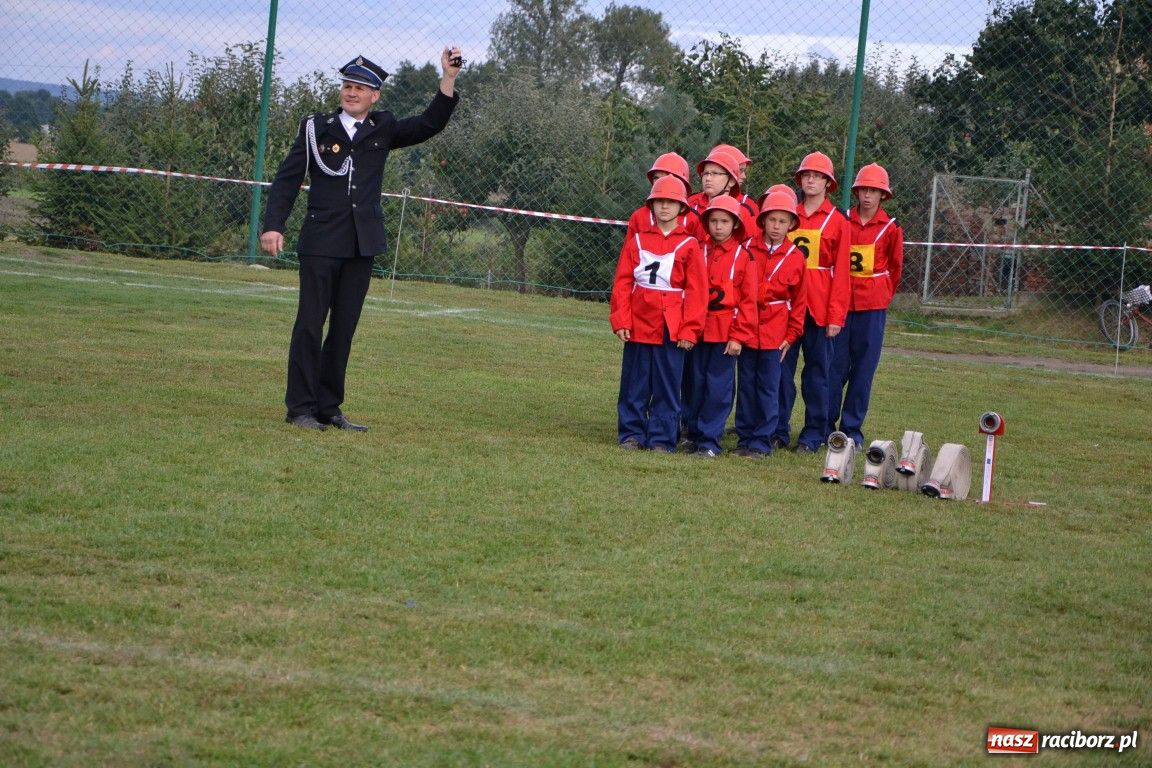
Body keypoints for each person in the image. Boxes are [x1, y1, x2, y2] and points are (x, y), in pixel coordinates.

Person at [261, 50, 462, 431]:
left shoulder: (383, 128)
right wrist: (274, 225)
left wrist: (447, 79)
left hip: (361, 244)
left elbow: (429, 124)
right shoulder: (315, 127)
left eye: (360, 88)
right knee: (309, 324)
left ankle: (329, 408)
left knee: (344, 328)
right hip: (321, 241)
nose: (351, 93)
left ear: (375, 96)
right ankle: (300, 409)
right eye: (347, 86)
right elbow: (287, 179)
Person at [610, 176, 707, 452]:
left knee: (667, 383)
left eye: (671, 202)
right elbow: (623, 282)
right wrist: (621, 319)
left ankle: (663, 438)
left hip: (671, 327)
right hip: (639, 322)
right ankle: (631, 433)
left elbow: (697, 292)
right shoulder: (637, 240)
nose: (665, 207)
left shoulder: (689, 245)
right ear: (651, 206)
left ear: (681, 208)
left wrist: (690, 329)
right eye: (659, 202)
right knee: (635, 382)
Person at [773, 151, 851, 453]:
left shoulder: (838, 221)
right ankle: (777, 429)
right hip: (787, 307)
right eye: (806, 174)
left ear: (828, 183)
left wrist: (836, 315)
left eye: (818, 176)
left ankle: (813, 434)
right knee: (779, 372)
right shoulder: (787, 214)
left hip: (819, 311)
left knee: (818, 374)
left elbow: (842, 272)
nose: (811, 180)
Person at [828, 163, 904, 448]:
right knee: (835, 369)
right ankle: (826, 425)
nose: (868, 196)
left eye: (874, 191)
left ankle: (851, 431)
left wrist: (881, 294)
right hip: (841, 306)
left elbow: (895, 268)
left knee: (863, 370)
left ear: (883, 195)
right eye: (863, 190)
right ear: (856, 192)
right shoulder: (842, 220)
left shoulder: (891, 227)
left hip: (872, 308)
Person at [730, 186, 806, 458]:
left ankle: (762, 441)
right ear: (762, 221)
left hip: (776, 332)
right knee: (746, 385)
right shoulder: (746, 249)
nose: (776, 226)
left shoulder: (796, 258)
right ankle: (744, 438)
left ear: (791, 225)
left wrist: (792, 334)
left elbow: (799, 301)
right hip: (748, 328)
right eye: (772, 220)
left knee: (769, 388)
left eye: (783, 221)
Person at [681, 195, 756, 458]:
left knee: (718, 388)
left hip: (725, 334)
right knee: (694, 384)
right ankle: (692, 434)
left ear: (735, 224)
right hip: (697, 330)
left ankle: (710, 440)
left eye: (724, 221)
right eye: (713, 221)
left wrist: (738, 337)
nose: (718, 226)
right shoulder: (697, 249)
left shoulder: (743, 257)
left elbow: (748, 302)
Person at [624, 153, 695, 239]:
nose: (661, 182)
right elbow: (629, 251)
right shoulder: (639, 217)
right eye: (656, 178)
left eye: (668, 177)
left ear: (683, 184)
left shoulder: (693, 220)